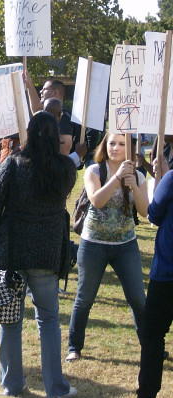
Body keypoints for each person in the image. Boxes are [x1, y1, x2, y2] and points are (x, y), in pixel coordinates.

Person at [0, 112, 78, 398]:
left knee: (10, 320)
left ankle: (12, 385)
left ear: (28, 133)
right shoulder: (65, 169)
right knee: (48, 319)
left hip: (13, 252)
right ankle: (55, 387)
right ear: (55, 137)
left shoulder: (12, 165)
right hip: (47, 253)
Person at [66, 132, 149, 362]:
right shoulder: (95, 170)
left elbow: (144, 212)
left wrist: (132, 186)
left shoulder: (138, 177)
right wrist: (117, 178)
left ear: (130, 148)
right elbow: (97, 200)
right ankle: (74, 347)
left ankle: (149, 344)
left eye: (122, 144)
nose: (115, 147)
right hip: (94, 245)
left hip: (126, 245)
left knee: (138, 299)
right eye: (111, 143)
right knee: (85, 298)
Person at [137, 158, 173, 398]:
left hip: (168, 271)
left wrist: (163, 181)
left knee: (153, 334)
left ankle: (148, 392)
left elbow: (153, 214)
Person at [25, 72, 73, 155]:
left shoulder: (63, 116)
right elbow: (37, 111)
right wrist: (29, 85)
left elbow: (66, 147)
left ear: (55, 93)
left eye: (45, 89)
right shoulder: (52, 114)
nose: (41, 91)